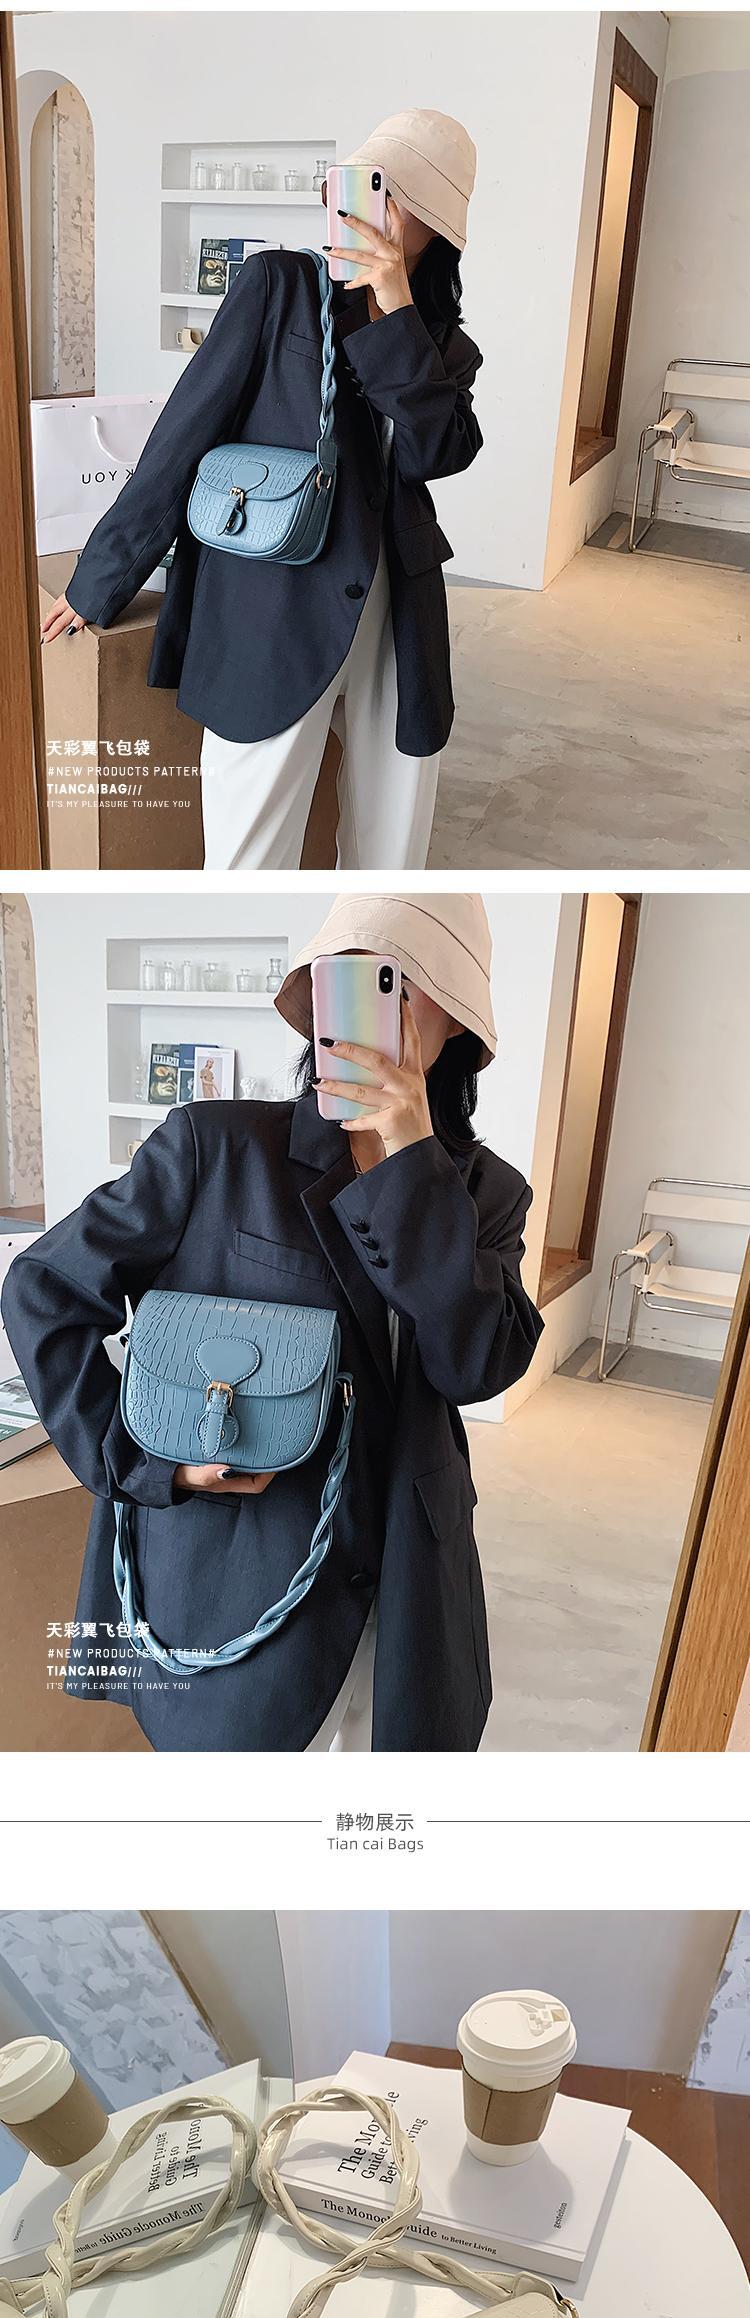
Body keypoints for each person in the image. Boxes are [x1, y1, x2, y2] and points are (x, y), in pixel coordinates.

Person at [1, 895, 544, 1754]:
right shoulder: (216, 1148)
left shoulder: (488, 1194)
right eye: (351, 980)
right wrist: (144, 1460)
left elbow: (475, 1366)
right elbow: (45, 1289)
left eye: (404, 983)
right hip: (241, 1579)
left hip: (409, 1586)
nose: (380, 1005)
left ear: (457, 1023)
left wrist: (412, 1165)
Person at [40, 112, 483, 872]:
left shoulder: (441, 339)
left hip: (397, 607)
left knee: (392, 854)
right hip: (277, 600)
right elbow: (183, 434)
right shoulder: (279, 285)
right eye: (361, 185)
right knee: (247, 857)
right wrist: (100, 579)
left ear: (434, 226)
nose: (368, 208)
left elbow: (436, 453)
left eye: (394, 195)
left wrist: (396, 310)